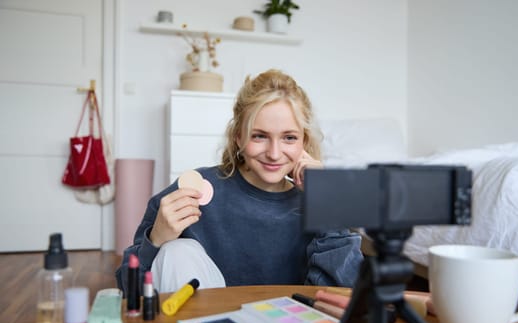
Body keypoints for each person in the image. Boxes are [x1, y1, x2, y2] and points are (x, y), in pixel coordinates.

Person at [116, 69, 363, 294]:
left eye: (289, 137)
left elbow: (344, 294)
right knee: (175, 251)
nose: (274, 153)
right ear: (238, 138)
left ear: (304, 141)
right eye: (259, 136)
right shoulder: (195, 189)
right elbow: (129, 291)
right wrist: (156, 239)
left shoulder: (316, 201)